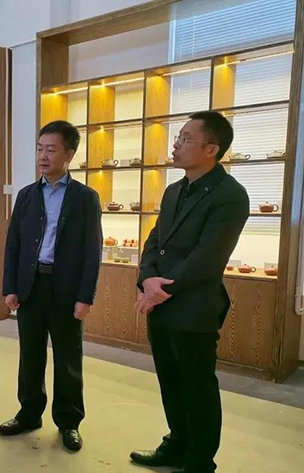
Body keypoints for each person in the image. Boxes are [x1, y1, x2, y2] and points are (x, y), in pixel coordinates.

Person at [131, 111, 249, 473]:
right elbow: (155, 240)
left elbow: (207, 257)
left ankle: (199, 461)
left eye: (185, 138)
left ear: (211, 149)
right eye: (177, 137)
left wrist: (158, 289)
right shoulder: (174, 190)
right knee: (170, 380)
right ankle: (176, 444)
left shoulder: (230, 195)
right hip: (162, 305)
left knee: (197, 386)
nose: (176, 145)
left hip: (195, 307)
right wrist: (147, 278)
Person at [0, 120, 102, 452]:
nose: (43, 156)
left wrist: (85, 296)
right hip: (31, 287)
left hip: (66, 290)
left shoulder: (85, 198)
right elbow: (13, 244)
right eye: (40, 149)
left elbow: (92, 250)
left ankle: (69, 422)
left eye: (51, 150)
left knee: (68, 359)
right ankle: (29, 414)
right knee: (30, 355)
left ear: (69, 154)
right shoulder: (27, 196)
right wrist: (10, 286)